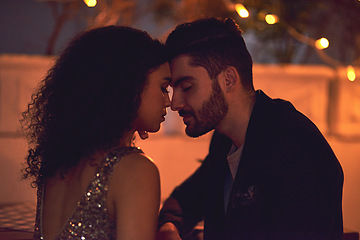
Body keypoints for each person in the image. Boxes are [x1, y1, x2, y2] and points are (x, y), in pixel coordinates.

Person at [157, 17, 343, 240]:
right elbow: (185, 200)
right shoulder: (224, 140)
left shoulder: (294, 146)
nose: (175, 103)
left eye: (187, 87)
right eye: (172, 89)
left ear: (228, 79)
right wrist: (168, 228)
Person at [21, 25, 171, 240]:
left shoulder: (57, 164)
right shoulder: (135, 170)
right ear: (130, 86)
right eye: (163, 88)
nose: (169, 101)